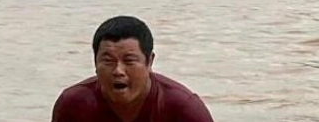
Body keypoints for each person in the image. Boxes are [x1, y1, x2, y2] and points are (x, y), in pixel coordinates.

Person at [51, 15, 214, 122]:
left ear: (149, 62)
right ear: (95, 63)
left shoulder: (184, 109)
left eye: (129, 61)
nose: (118, 71)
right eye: (108, 61)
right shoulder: (73, 105)